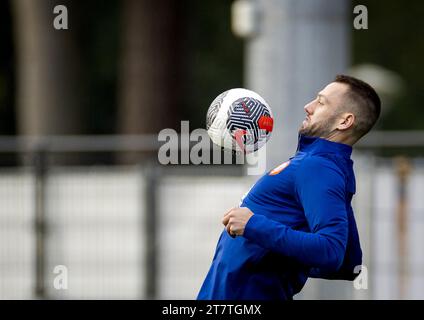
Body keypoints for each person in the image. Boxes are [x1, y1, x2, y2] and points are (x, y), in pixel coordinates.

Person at [197, 74, 381, 300]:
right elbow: (348, 264)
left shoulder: (318, 167)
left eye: (321, 102)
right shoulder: (326, 166)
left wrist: (253, 224)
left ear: (344, 121)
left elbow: (332, 251)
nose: (308, 106)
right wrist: (279, 258)